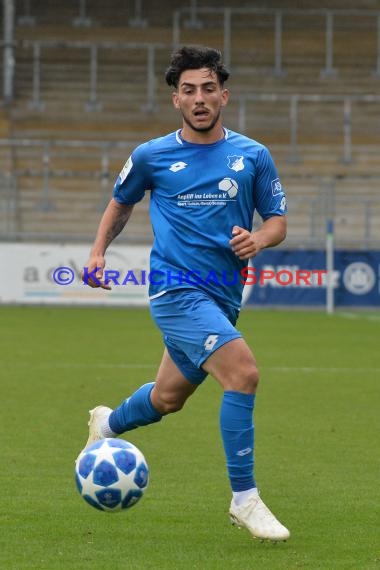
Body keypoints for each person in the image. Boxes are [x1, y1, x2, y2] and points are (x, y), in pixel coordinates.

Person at [81, 45, 289, 542]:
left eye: (208, 89)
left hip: (224, 297)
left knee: (166, 399)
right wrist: (97, 253)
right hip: (175, 292)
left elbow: (277, 222)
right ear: (176, 100)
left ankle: (107, 424)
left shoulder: (252, 155)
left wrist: (257, 239)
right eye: (189, 91)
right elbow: (120, 204)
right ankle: (245, 500)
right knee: (243, 373)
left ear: (224, 95)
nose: (199, 99)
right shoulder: (151, 155)